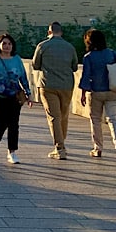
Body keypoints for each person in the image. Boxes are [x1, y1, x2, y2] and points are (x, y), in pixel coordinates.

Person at [79, 28, 116, 162]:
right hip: (114, 90)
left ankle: (98, 148)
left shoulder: (88, 57)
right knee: (114, 119)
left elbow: (86, 76)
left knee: (95, 120)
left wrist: (83, 93)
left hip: (97, 91)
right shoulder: (111, 53)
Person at [0, 33, 32, 164]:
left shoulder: (17, 59)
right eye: (4, 43)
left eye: (9, 44)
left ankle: (12, 152)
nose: (7, 46)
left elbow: (23, 77)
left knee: (14, 124)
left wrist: (28, 93)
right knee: (1, 122)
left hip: (14, 96)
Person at [32, 21, 78, 160]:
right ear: (61, 32)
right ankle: (61, 144)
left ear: (49, 32)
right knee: (63, 116)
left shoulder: (42, 46)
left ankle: (60, 148)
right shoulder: (70, 47)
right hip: (67, 85)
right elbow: (75, 67)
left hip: (48, 85)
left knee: (53, 117)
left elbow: (35, 65)